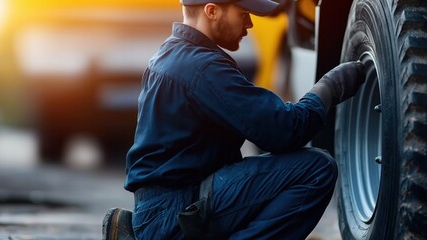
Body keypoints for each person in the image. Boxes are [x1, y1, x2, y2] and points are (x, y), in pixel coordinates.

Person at [101, 0, 366, 239]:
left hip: (160, 209)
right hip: (176, 212)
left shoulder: (167, 55)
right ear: (212, 10)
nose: (250, 23)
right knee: (316, 169)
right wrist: (329, 88)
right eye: (244, 13)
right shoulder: (202, 67)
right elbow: (285, 130)